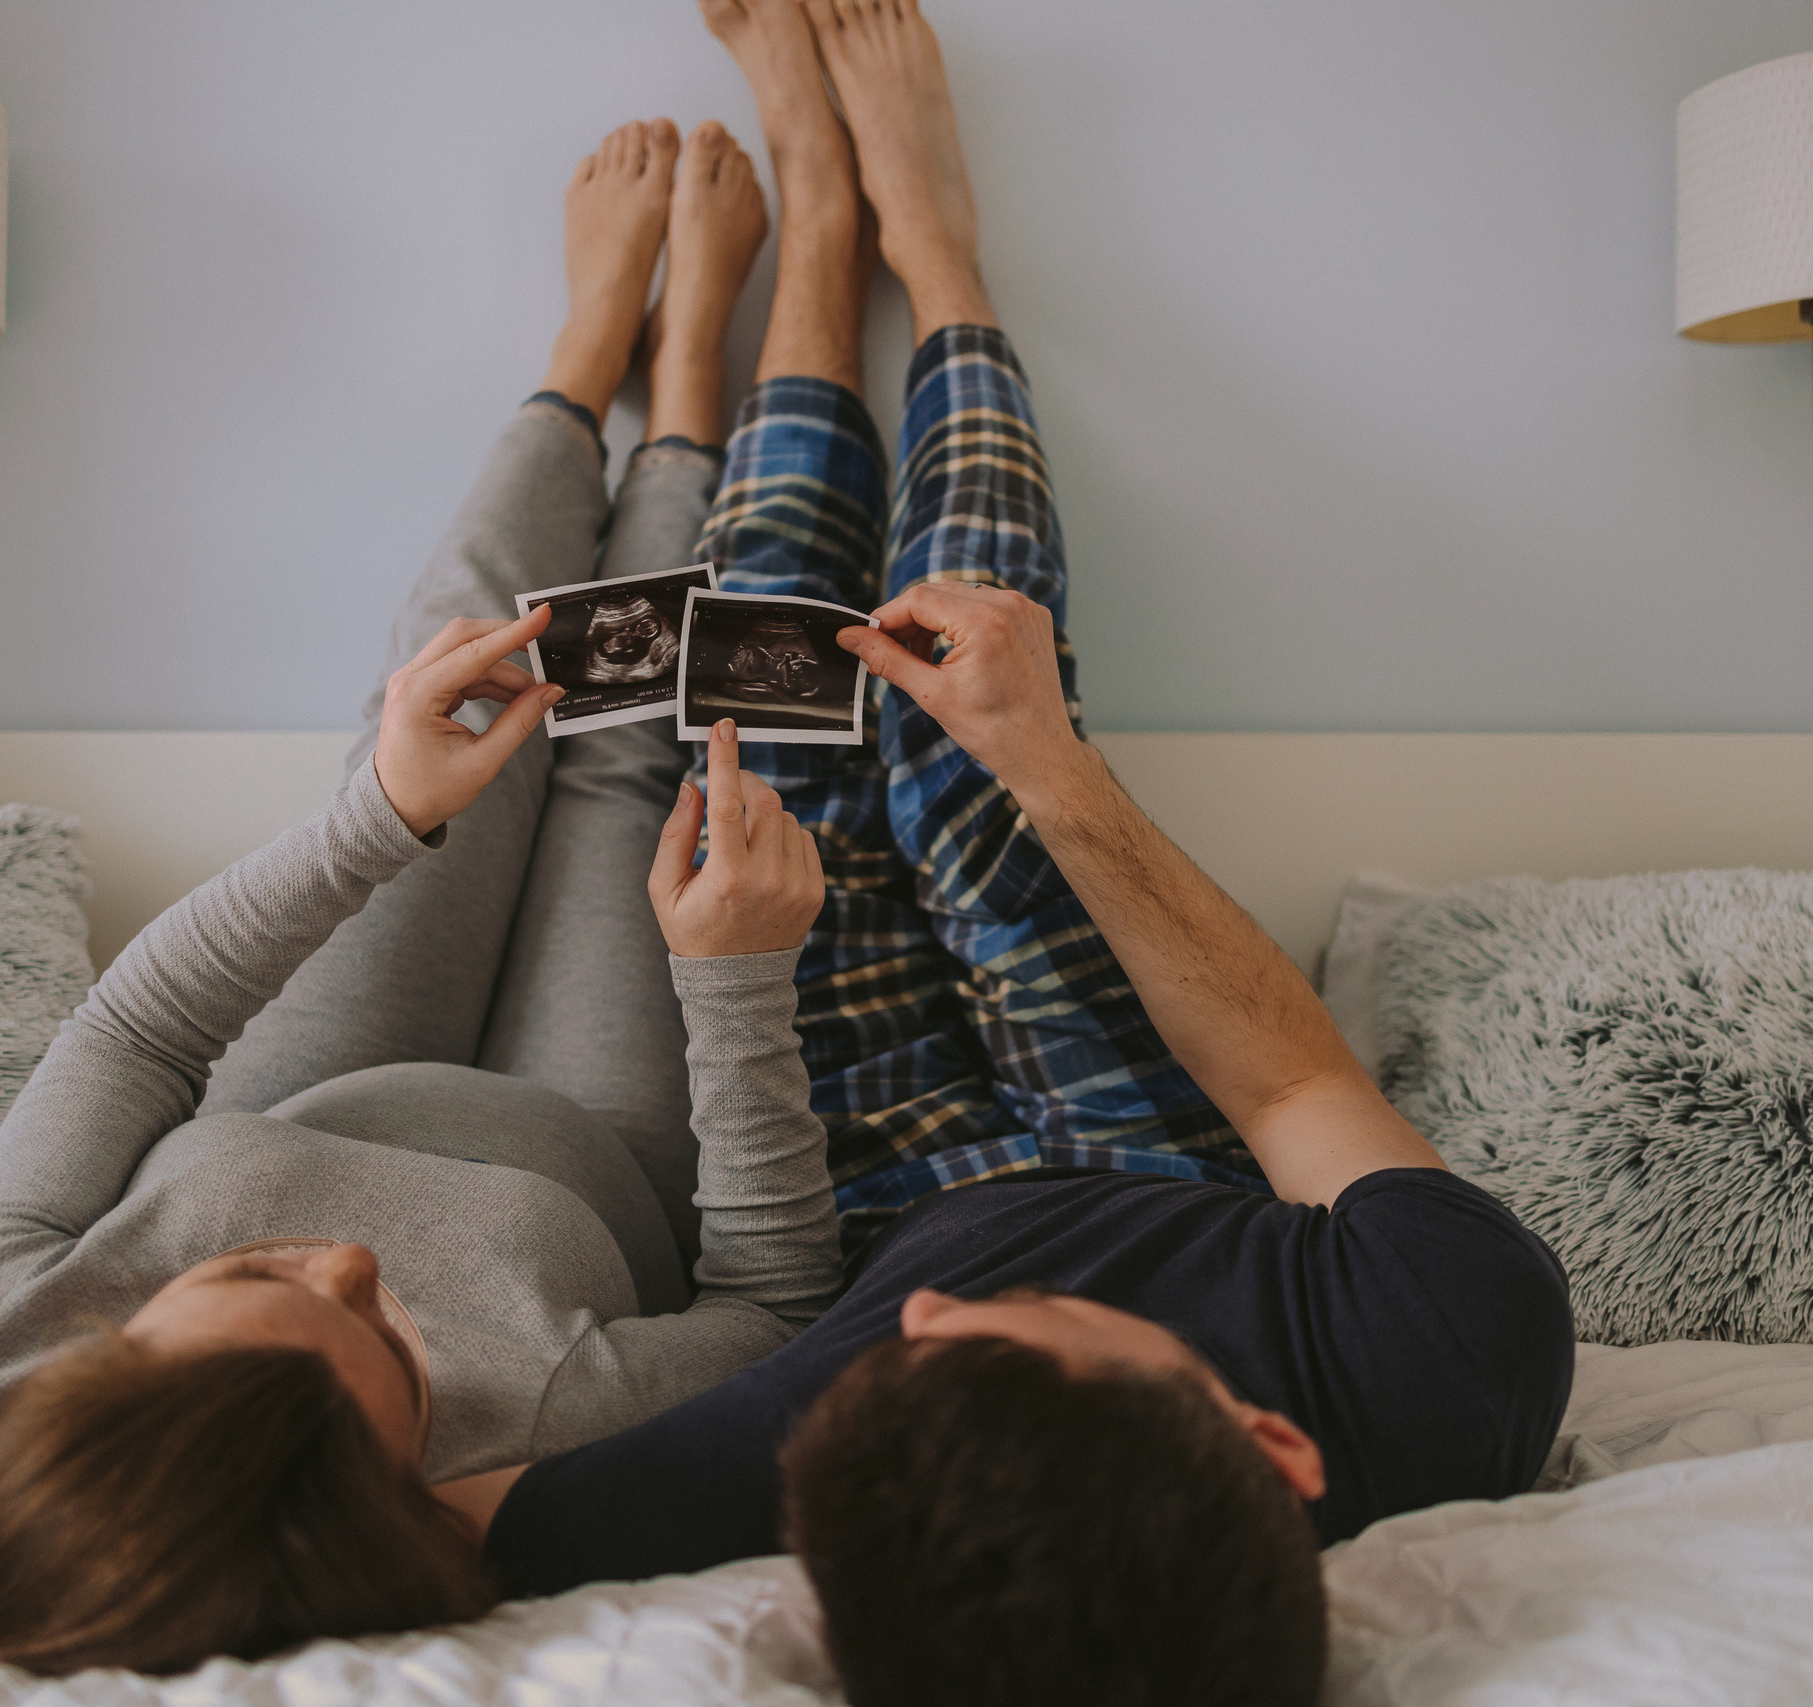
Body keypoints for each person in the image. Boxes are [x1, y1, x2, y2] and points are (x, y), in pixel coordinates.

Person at [0, 119, 841, 1677]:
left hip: (307, 1087)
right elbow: (781, 1301)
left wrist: (373, 822)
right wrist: (738, 981)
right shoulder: (533, 1437)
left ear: (96, 1367)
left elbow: (136, 1027)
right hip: (590, 1158)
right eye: (389, 1349)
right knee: (609, 768)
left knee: (452, 701)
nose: (351, 1266)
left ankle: (585, 362)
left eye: (249, 1275)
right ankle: (689, 419)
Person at [445, 7, 1576, 1707]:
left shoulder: (836, 1456)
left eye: (900, 1380)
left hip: (878, 1176)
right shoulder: (1451, 1352)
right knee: (968, 742)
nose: (927, 1323)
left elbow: (361, 1517)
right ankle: (938, 256)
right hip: (1168, 1146)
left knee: (771, 723)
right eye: (1005, 1349)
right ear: (1273, 1441)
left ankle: (817, 245)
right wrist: (1052, 762)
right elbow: (1285, 1087)